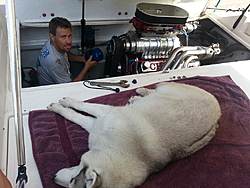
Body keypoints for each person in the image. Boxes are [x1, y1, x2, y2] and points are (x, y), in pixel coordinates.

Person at [37, 17, 98, 85]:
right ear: (52, 37)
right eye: (63, 37)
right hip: (56, 90)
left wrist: (81, 59)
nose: (69, 41)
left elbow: (64, 53)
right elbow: (70, 86)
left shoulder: (51, 44)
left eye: (69, 36)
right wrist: (87, 67)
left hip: (62, 71)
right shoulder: (54, 62)